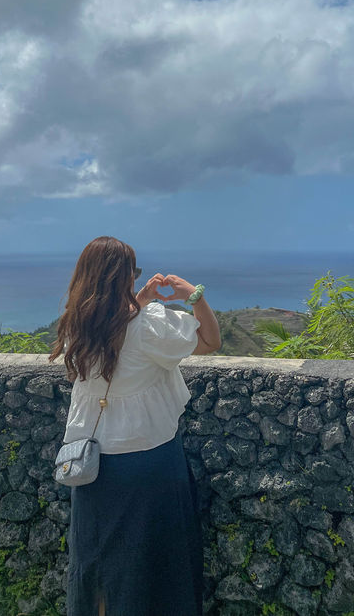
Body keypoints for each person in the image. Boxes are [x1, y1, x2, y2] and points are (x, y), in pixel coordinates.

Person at [48, 236, 221, 616]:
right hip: (150, 462)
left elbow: (118, 335)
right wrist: (194, 295)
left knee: (100, 566)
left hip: (92, 466)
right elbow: (210, 340)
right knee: (156, 568)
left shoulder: (77, 325)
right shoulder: (150, 325)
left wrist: (137, 302)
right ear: (124, 276)